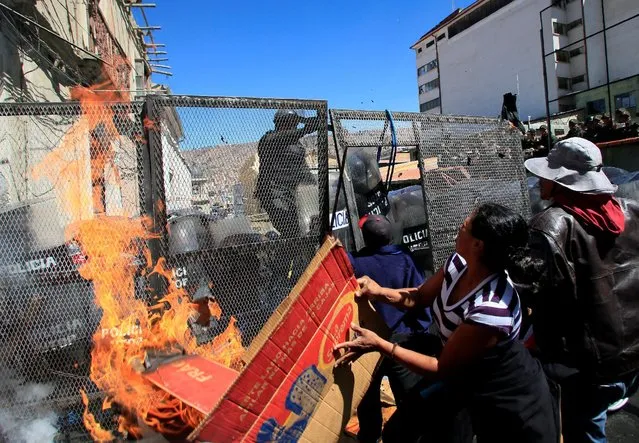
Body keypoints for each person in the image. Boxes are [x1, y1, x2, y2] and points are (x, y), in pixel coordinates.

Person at [335, 203, 559, 443]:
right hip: (455, 371)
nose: (458, 229)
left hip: (495, 395)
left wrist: (379, 345)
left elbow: (442, 368)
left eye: (465, 226)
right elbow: (420, 297)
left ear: (478, 245)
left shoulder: (491, 309)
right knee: (397, 432)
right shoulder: (459, 264)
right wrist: (378, 292)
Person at [521, 137, 639, 442]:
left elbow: (529, 292)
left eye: (547, 174)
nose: (540, 180)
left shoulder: (549, 226)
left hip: (586, 367)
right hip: (632, 354)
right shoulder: (632, 212)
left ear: (563, 182)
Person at [347, 214, 433, 443]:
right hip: (402, 340)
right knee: (409, 398)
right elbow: (419, 294)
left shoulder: (355, 262)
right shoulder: (405, 258)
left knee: (368, 399)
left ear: (363, 237)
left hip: (370, 340)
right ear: (391, 235)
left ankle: (370, 436)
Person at [255, 110, 321, 238]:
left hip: (295, 193)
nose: (294, 126)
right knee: (292, 230)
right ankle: (282, 256)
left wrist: (315, 188)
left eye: (295, 123)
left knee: (310, 227)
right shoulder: (268, 139)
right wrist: (305, 130)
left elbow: (302, 167)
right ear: (282, 122)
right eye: (292, 122)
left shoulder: (296, 144)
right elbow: (285, 137)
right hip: (275, 193)